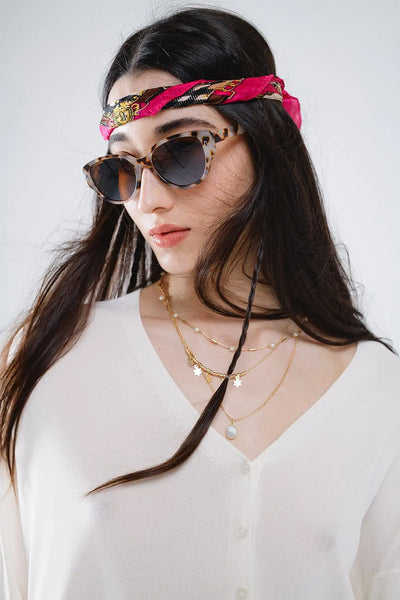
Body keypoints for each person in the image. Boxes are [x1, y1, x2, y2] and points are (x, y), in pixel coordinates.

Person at [0, 6, 399, 600]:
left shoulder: (375, 388)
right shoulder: (50, 356)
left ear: (265, 144)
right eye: (122, 170)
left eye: (181, 151)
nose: (148, 201)